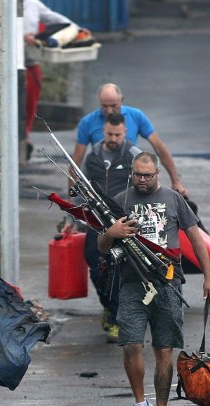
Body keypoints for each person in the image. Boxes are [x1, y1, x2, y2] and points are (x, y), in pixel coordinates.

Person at [97, 152, 210, 406]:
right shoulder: (121, 200)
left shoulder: (174, 200)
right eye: (137, 174)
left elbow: (197, 239)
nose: (142, 179)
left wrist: (208, 278)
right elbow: (101, 246)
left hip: (169, 285)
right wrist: (112, 231)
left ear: (157, 173)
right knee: (131, 345)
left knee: (164, 350)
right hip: (131, 284)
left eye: (147, 175)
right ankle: (140, 405)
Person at [63, 112, 141, 342]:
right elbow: (81, 190)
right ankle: (108, 307)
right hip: (96, 222)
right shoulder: (92, 156)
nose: (113, 138)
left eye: (117, 134)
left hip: (125, 223)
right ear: (103, 132)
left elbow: (146, 186)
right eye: (109, 134)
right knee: (96, 269)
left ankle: (118, 319)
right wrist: (71, 220)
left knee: (121, 271)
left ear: (125, 132)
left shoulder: (134, 156)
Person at [71, 83, 188, 197]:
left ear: (121, 100)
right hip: (102, 177)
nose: (109, 110)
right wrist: (71, 198)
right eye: (105, 106)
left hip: (127, 177)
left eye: (113, 106)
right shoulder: (87, 122)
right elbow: (76, 161)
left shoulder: (136, 116)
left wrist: (176, 181)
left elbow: (159, 147)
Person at [23, 0, 85, 159]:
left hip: (30, 65)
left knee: (29, 109)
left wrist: (77, 30)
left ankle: (24, 140)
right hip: (5, 67)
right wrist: (22, 36)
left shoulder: (32, 4)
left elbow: (58, 20)